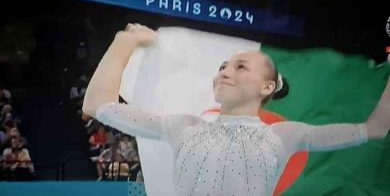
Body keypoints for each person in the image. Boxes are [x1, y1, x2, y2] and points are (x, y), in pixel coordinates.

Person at [82, 23, 390, 195]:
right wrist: (125, 41)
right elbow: (97, 105)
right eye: (222, 66)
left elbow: (376, 128)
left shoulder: (286, 135)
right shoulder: (183, 126)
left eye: (241, 66)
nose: (225, 72)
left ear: (267, 87)